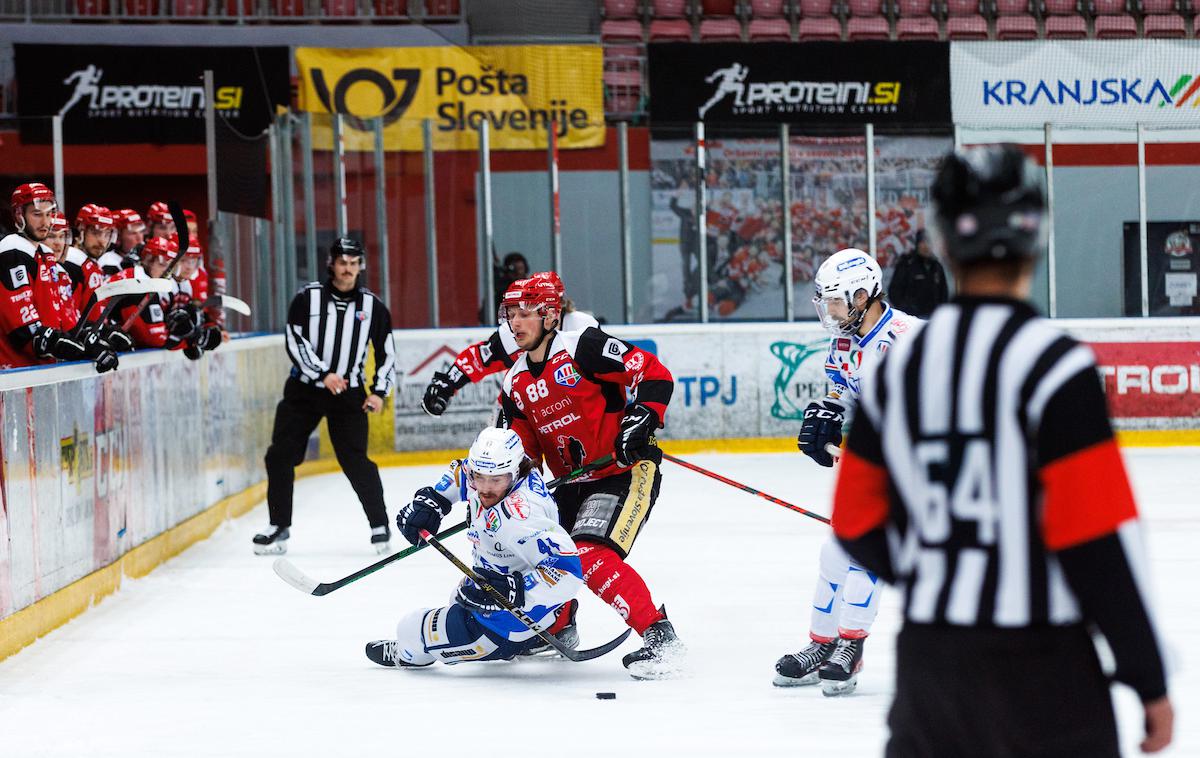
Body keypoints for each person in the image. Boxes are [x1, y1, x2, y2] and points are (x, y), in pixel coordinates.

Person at [832, 144, 1173, 755]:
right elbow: (1100, 537)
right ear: (1035, 238)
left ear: (941, 241)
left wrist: (943, 565)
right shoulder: (1056, 365)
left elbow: (855, 521)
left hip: (934, 675)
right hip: (1050, 677)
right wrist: (1145, 675)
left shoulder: (894, 368)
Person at [493, 277, 685, 679]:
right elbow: (520, 454)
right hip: (569, 485)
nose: (515, 323)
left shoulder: (583, 346)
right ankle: (558, 625)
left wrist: (643, 415)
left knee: (589, 555)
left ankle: (660, 638)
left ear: (548, 315)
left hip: (623, 472)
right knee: (536, 550)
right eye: (510, 314)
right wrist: (500, 492)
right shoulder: (514, 383)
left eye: (524, 313)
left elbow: (652, 372)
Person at [773, 248, 918, 696]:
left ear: (862, 294)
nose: (830, 312)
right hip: (872, 467)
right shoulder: (843, 341)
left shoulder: (910, 337)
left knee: (862, 553)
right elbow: (843, 392)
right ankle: (822, 643)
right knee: (836, 553)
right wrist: (826, 415)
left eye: (835, 302)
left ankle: (850, 646)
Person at [374, 427, 583, 668]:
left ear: (514, 473)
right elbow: (461, 471)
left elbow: (569, 571)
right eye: (479, 477)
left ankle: (409, 654)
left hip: (509, 621)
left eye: (495, 480)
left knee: (411, 629)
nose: (484, 488)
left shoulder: (521, 516)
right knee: (457, 599)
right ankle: (553, 627)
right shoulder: (502, 469)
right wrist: (433, 502)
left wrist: (514, 591)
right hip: (490, 582)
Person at [255, 238, 397, 556]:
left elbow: (387, 351)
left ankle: (379, 525)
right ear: (331, 263)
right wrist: (322, 373)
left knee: (355, 459)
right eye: (342, 262)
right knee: (279, 455)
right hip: (304, 390)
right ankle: (279, 525)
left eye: (353, 262)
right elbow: (294, 339)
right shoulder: (307, 298)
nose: (347, 269)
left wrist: (378, 392)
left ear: (360, 266)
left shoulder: (373, 306)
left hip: (348, 394)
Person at [420, 271, 598, 417]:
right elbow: (479, 359)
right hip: (523, 411)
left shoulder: (582, 328)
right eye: (527, 306)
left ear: (555, 306)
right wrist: (447, 384)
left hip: (573, 413)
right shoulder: (512, 332)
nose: (516, 321)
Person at [0, 183, 107, 371]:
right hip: (14, 372)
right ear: (19, 215)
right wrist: (57, 343)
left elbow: (64, 318)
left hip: (42, 370)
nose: (45, 222)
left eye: (49, 214)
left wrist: (89, 342)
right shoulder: (12, 251)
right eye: (37, 214)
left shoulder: (45, 256)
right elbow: (22, 328)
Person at [887, 229, 948, 318]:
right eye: (923, 242)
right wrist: (906, 310)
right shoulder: (907, 264)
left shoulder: (936, 265)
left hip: (933, 317)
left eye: (929, 243)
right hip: (912, 318)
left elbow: (943, 293)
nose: (926, 246)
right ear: (917, 244)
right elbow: (894, 291)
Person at [73, 203, 124, 277]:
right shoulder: (70, 264)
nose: (102, 241)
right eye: (95, 233)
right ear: (81, 231)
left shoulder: (97, 265)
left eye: (107, 235)